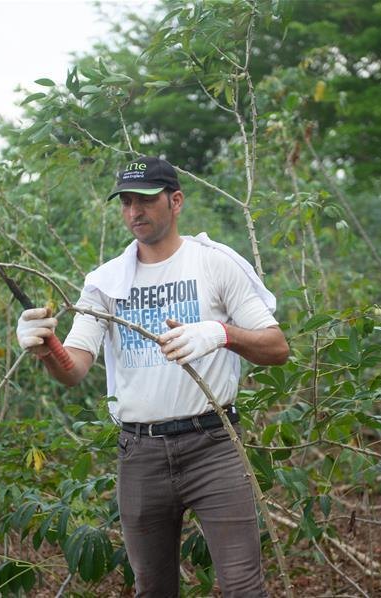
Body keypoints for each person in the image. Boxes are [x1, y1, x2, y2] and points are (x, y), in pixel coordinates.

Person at [15, 155, 288, 597]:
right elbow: (75, 368)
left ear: (175, 201)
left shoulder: (216, 263)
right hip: (140, 453)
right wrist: (47, 347)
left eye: (143, 200)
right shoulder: (105, 281)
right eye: (125, 202)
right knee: (152, 588)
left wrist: (219, 334)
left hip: (214, 445)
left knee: (244, 586)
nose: (133, 212)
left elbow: (277, 348)